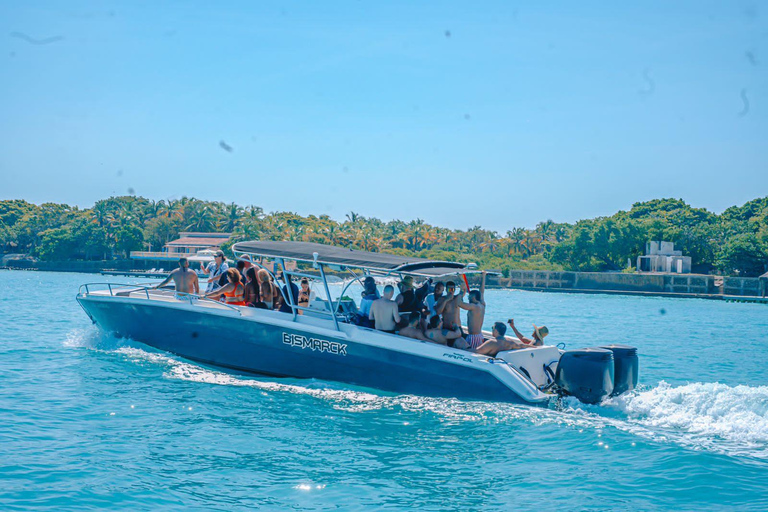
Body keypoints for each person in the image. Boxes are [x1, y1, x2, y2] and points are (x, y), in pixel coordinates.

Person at [457, 271, 487, 349]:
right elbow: (482, 291)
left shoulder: (474, 307)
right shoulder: (482, 304)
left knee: (472, 354)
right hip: (478, 336)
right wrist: (483, 276)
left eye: (469, 297)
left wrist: (461, 290)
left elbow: (459, 303)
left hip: (474, 337)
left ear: (473, 297)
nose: (468, 298)